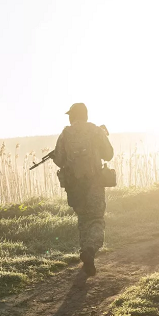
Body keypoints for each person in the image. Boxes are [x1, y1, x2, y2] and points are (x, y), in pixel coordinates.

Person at [50, 102, 114, 278]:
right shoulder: (96, 131)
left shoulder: (65, 134)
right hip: (94, 184)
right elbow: (109, 154)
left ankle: (86, 256)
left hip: (74, 186)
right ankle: (90, 250)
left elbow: (60, 160)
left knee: (83, 220)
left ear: (73, 116)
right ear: (85, 115)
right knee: (96, 220)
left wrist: (56, 156)